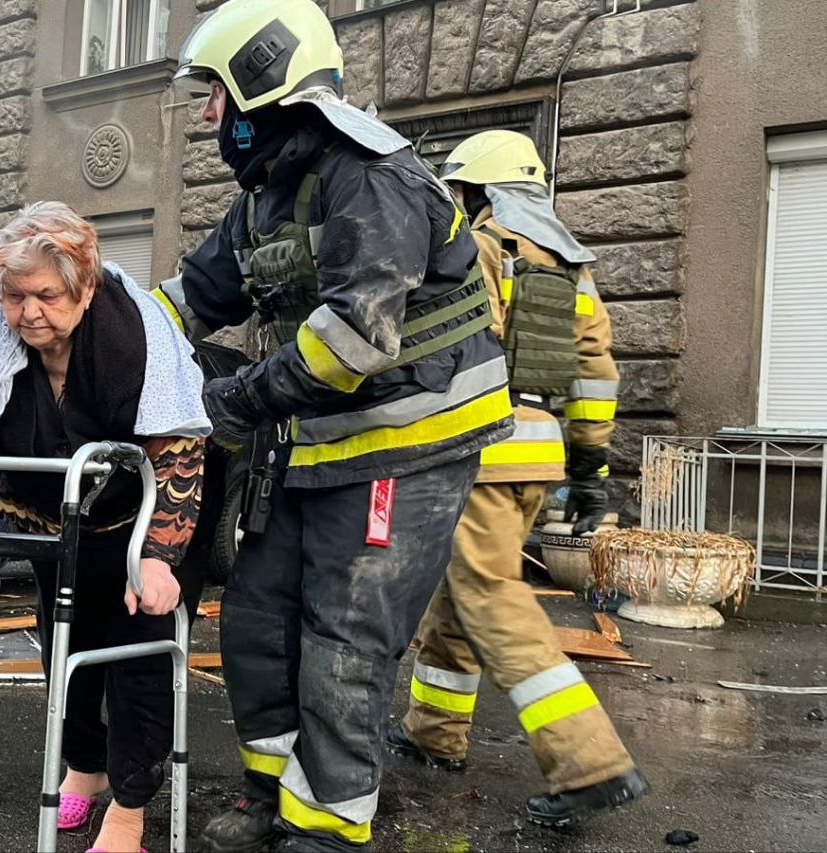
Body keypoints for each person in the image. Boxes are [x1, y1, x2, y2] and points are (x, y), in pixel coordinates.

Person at [153, 1, 515, 849]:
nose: (208, 114)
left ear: (263, 79)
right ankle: (272, 789)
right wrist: (92, 329)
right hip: (317, 441)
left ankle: (327, 825)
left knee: (346, 635)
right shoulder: (266, 196)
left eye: (215, 93)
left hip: (406, 441)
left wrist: (228, 405)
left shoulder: (371, 175)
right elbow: (189, 300)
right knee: (256, 617)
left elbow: (353, 339)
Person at [0, 202, 211, 853]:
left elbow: (177, 449)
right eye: (13, 296)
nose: (29, 311)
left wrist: (158, 558)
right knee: (67, 647)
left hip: (145, 515)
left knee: (137, 658)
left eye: (46, 295)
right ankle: (85, 770)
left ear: (83, 287)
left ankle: (129, 808)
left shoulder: (128, 334)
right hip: (53, 518)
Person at [386, 129, 649, 827]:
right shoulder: (570, 265)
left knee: (490, 591)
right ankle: (432, 731)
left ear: (477, 190)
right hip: (540, 451)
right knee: (463, 585)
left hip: (483, 446)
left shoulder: (482, 246)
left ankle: (590, 761)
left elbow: (449, 345)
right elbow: (596, 371)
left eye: (461, 190)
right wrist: (593, 465)